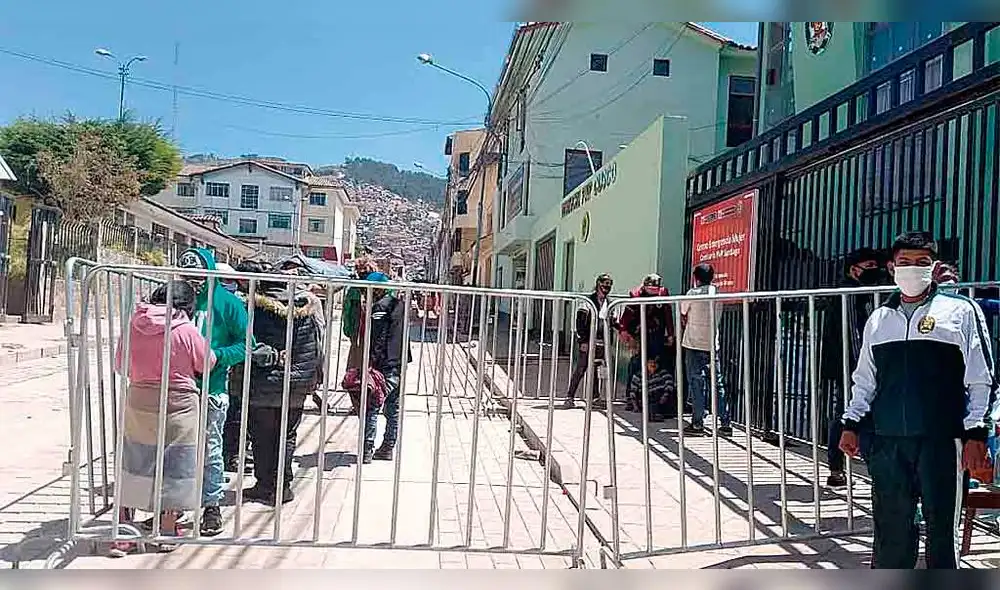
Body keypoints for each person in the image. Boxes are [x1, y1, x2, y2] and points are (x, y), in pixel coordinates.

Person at [839, 231, 998, 569]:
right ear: (892, 267)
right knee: (891, 529)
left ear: (933, 266)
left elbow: (981, 378)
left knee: (942, 530)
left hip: (942, 440)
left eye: (922, 263)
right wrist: (851, 424)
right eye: (905, 263)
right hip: (888, 439)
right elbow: (864, 379)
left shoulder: (960, 312)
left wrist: (976, 434)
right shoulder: (880, 320)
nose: (913, 269)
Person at [115, 281, 214, 551]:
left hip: (140, 399)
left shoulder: (134, 324)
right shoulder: (185, 328)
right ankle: (168, 529)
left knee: (135, 459)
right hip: (179, 403)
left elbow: (120, 364)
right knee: (177, 465)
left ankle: (122, 532)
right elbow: (206, 363)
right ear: (188, 306)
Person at [231, 273, 325, 504]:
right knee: (287, 435)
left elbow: (245, 345)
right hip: (295, 386)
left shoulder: (252, 310)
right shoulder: (307, 311)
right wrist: (313, 379)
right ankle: (282, 486)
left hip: (260, 385)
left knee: (262, 436)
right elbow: (316, 348)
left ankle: (265, 484)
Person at [177, 247, 251, 536]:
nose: (192, 281)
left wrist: (216, 357)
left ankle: (211, 506)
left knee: (210, 450)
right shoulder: (176, 297)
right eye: (188, 275)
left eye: (198, 275)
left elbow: (246, 343)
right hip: (177, 390)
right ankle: (173, 504)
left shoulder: (227, 303)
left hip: (212, 388)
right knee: (176, 451)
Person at [819, 247, 885, 488]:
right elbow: (853, 334)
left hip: (860, 364)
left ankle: (845, 467)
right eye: (868, 267)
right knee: (848, 413)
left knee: (851, 412)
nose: (874, 271)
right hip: (850, 364)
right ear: (853, 269)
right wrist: (863, 367)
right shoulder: (847, 292)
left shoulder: (866, 292)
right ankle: (837, 467)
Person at [362, 273, 412, 463]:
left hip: (384, 364)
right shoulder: (400, 305)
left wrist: (371, 363)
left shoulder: (380, 307)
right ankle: (388, 447)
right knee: (393, 408)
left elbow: (378, 338)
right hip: (399, 362)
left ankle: (367, 449)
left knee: (372, 407)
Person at [680, 263, 731, 437]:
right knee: (717, 383)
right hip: (711, 344)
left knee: (697, 383)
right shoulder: (718, 293)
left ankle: (697, 423)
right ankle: (725, 423)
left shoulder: (692, 293)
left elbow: (683, 310)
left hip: (694, 343)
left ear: (696, 278)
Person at [619, 274, 676, 412]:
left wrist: (670, 334)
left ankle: (663, 399)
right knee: (636, 364)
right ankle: (631, 398)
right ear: (644, 287)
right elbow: (626, 316)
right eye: (651, 289)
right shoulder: (636, 295)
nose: (654, 293)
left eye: (656, 289)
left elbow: (667, 314)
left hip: (657, 333)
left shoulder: (663, 293)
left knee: (659, 363)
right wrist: (623, 331)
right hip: (640, 333)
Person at [563, 273, 614, 410]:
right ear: (598, 283)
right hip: (588, 341)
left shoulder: (609, 303)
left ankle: (595, 398)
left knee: (597, 370)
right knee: (581, 369)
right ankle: (570, 397)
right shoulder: (588, 301)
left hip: (603, 342)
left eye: (609, 284)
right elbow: (580, 321)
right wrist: (583, 341)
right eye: (604, 283)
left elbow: (612, 322)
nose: (606, 287)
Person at [628, 357, 676, 422]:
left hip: (661, 399)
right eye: (650, 362)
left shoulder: (664, 373)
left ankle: (657, 413)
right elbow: (633, 391)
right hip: (646, 399)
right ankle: (654, 414)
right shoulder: (639, 375)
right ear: (646, 364)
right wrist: (635, 406)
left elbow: (669, 387)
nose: (653, 364)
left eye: (655, 363)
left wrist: (664, 397)